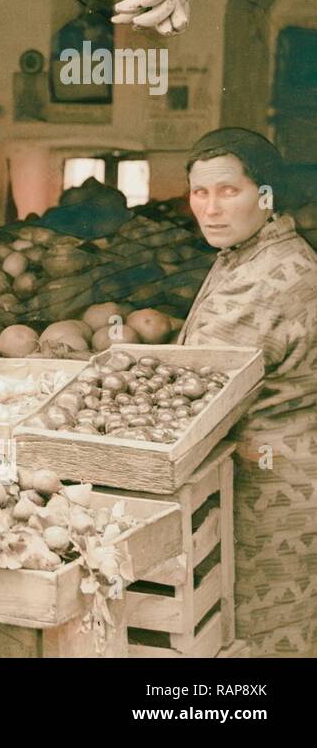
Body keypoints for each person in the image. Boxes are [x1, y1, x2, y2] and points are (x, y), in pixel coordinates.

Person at [177, 127, 317, 657]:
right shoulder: (252, 251)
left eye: (228, 191)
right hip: (268, 468)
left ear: (266, 195)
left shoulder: (272, 275)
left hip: (270, 484)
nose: (210, 209)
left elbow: (196, 394)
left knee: (263, 636)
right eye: (199, 193)